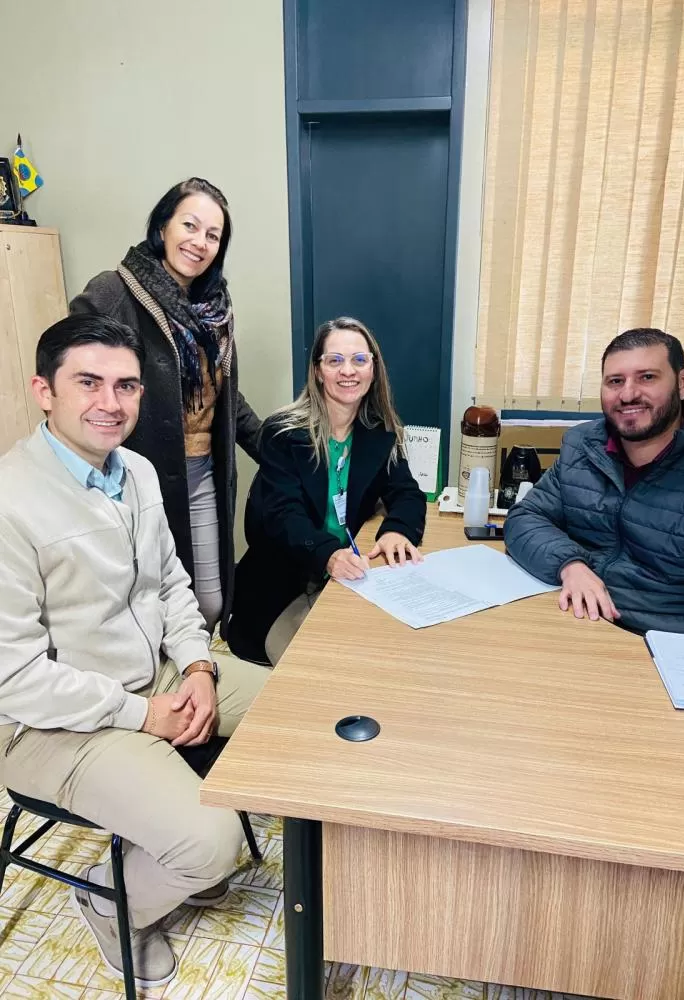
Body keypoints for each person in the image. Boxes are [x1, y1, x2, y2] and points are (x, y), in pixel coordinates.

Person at [0, 315, 269, 989]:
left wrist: (202, 668)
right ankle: (105, 896)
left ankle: (174, 848)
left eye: (126, 386)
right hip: (51, 725)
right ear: (44, 390)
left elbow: (173, 587)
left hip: (157, 673)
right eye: (87, 383)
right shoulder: (10, 502)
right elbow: (15, 679)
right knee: (212, 845)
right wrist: (141, 715)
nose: (110, 404)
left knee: (295, 712)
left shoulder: (139, 472)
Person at [69, 177, 261, 637]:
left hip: (202, 473)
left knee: (210, 602)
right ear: (162, 226)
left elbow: (222, 400)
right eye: (190, 225)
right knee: (143, 608)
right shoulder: (114, 292)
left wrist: (281, 448)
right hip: (132, 479)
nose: (200, 242)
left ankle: (188, 678)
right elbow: (73, 377)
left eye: (213, 235)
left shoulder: (215, 308)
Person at [504, 328, 684, 636]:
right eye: (615, 381)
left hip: (663, 644)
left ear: (682, 383)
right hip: (580, 622)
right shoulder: (582, 446)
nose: (628, 394)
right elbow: (525, 518)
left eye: (647, 377)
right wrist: (571, 565)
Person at [228, 316, 426, 664]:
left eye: (358, 360)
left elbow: (407, 491)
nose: (347, 371)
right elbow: (282, 515)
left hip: (347, 580)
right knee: (316, 668)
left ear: (373, 368)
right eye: (334, 360)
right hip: (286, 583)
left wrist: (397, 529)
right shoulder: (284, 431)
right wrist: (328, 554)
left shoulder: (379, 431)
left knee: (387, 657)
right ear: (318, 370)